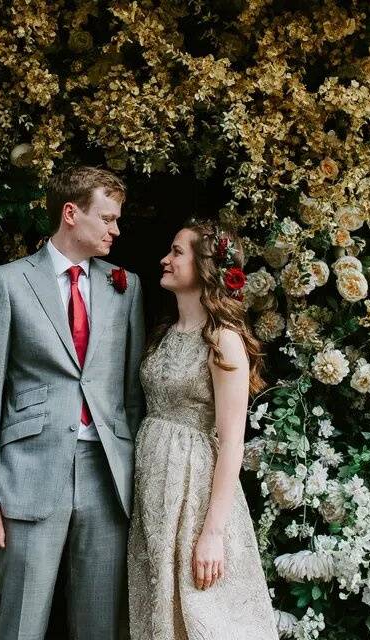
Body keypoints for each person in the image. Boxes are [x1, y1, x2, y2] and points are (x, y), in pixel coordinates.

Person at [0, 165, 146, 640]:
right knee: (21, 627)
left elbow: (130, 396)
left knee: (100, 627)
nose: (115, 230)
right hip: (29, 474)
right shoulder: (9, 283)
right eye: (106, 218)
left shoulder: (126, 286)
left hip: (107, 478)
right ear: (70, 213)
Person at [127, 219, 279, 639]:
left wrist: (212, 533)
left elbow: (232, 441)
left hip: (194, 491)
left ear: (205, 265)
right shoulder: (164, 332)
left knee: (205, 612)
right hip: (155, 488)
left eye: (177, 251)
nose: (166, 258)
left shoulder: (223, 339)